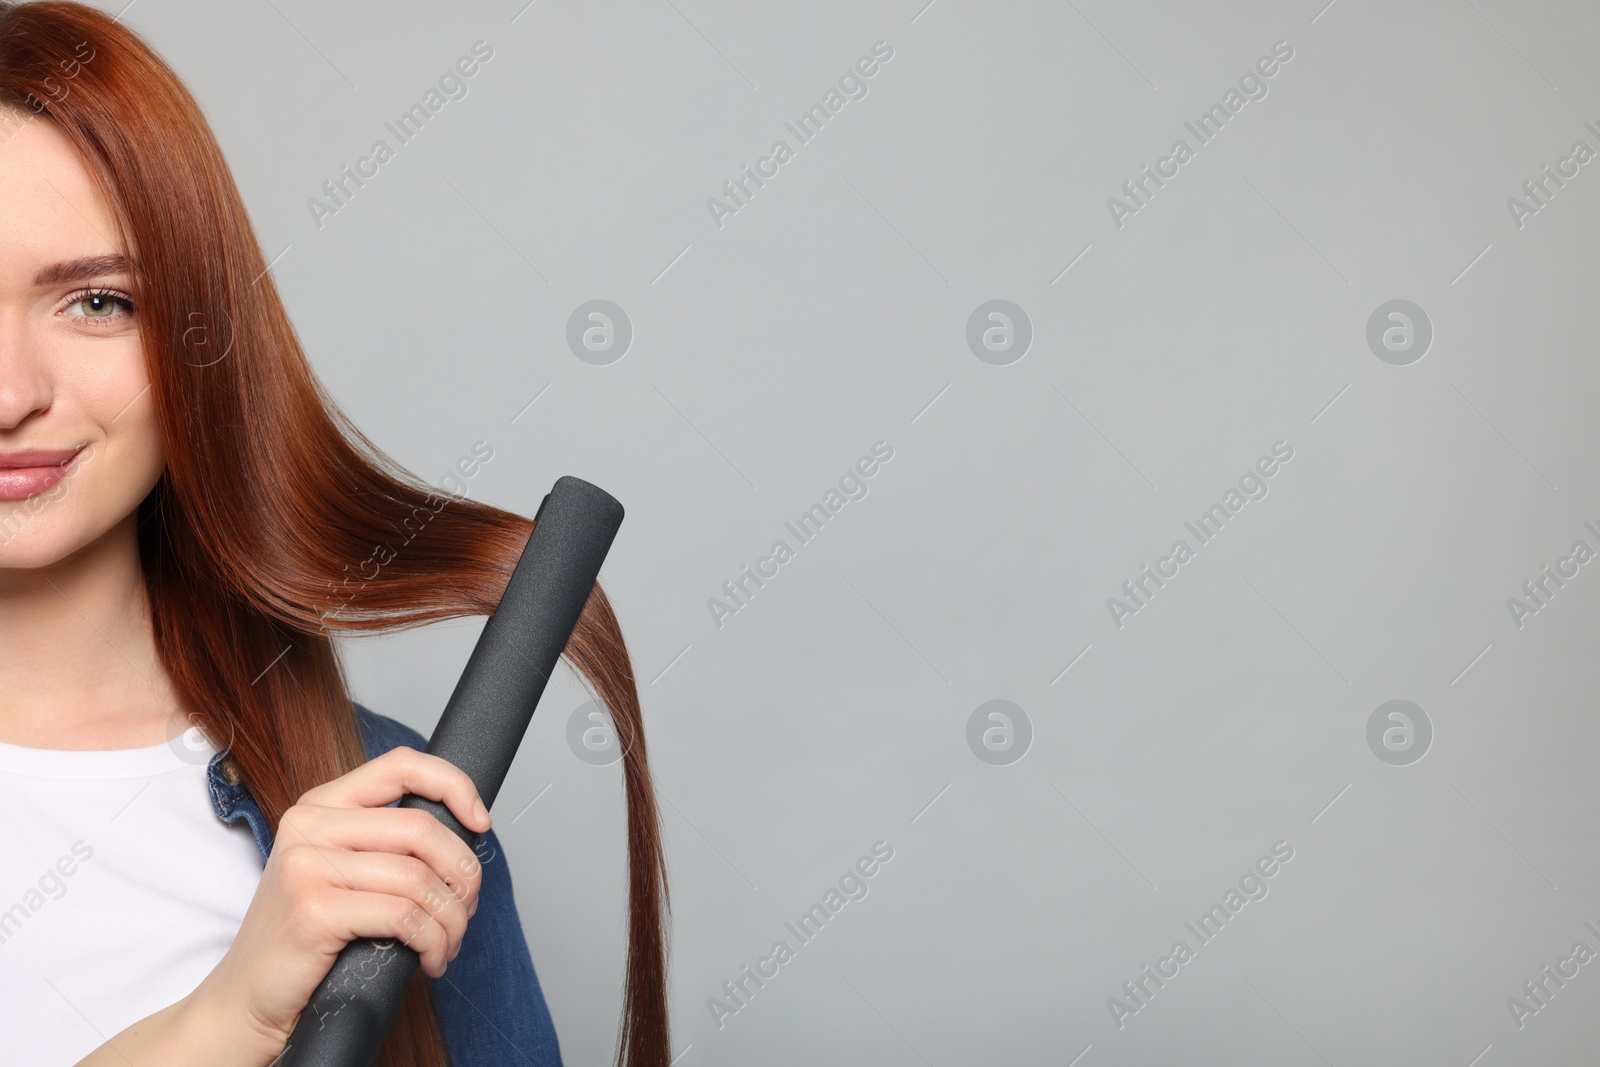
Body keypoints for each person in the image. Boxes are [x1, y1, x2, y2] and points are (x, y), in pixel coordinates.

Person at [0, 3, 670, 1065]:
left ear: (196, 336)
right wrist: (216, 1026)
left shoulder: (388, 813)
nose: (11, 392)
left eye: (95, 301)